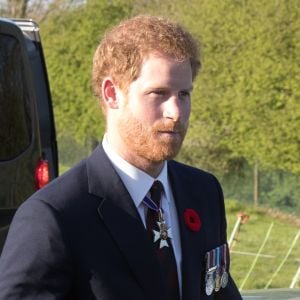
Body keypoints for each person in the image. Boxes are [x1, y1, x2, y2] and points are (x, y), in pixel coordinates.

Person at [0, 15, 242, 300]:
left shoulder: (203, 192)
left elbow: (218, 290)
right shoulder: (53, 216)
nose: (176, 112)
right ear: (112, 93)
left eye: (184, 94)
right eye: (158, 93)